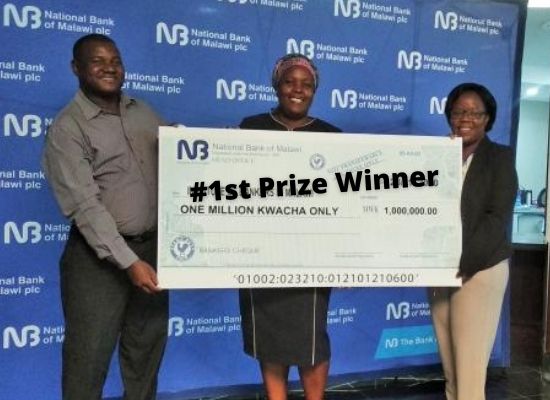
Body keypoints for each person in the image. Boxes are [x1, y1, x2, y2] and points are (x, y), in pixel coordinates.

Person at [42, 34, 168, 400]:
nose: (109, 67)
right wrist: (129, 262)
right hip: (97, 262)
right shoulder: (68, 128)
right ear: (76, 68)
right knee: (88, 360)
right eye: (97, 61)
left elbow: (176, 158)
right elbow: (85, 206)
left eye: (115, 60)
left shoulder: (142, 112)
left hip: (151, 253)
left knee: (145, 355)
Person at [238, 53, 341, 400]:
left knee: (311, 340)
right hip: (259, 252)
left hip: (313, 254)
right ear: (276, 86)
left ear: (315, 90)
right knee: (270, 338)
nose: (298, 90)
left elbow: (346, 201)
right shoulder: (251, 127)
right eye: (289, 82)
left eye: (306, 84)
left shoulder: (332, 136)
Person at [429, 82, 518, 400]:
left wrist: (461, 265)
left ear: (487, 118)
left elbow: (496, 219)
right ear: (449, 116)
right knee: (452, 373)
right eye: (458, 112)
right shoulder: (434, 156)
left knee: (469, 376)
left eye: (474, 112)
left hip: (478, 270)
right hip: (438, 271)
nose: (465, 118)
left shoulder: (499, 158)